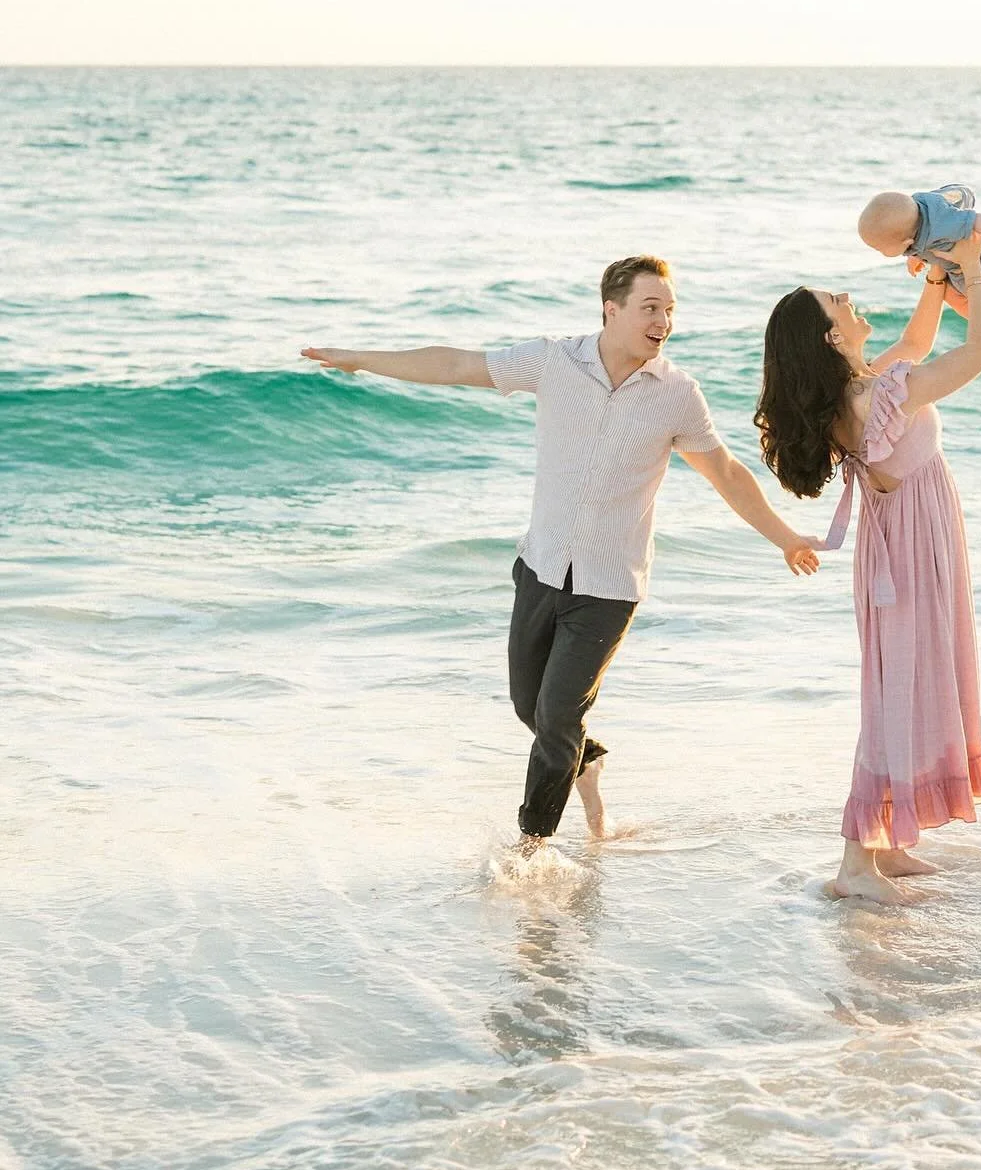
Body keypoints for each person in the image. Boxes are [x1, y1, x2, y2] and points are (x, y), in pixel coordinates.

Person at [303, 255, 820, 852]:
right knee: (534, 708)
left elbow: (725, 471)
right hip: (542, 568)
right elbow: (456, 364)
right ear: (612, 309)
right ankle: (587, 761)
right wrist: (362, 358)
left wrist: (784, 537)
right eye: (651, 308)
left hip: (608, 588)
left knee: (554, 717)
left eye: (671, 311)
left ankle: (531, 847)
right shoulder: (555, 362)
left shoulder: (677, 394)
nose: (664, 322)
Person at [755, 233, 981, 904]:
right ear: (831, 338)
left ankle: (886, 845)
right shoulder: (876, 397)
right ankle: (853, 864)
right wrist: (974, 278)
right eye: (833, 300)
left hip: (910, 548)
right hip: (911, 556)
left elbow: (917, 346)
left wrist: (935, 278)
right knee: (895, 697)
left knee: (910, 686)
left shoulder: (863, 392)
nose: (846, 295)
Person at [858, 183, 981, 341]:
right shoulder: (908, 225)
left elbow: (976, 220)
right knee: (949, 295)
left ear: (906, 242)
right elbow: (915, 243)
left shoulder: (942, 224)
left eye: (879, 249)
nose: (878, 252)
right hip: (958, 272)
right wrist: (915, 256)